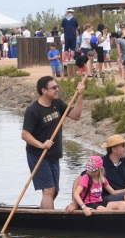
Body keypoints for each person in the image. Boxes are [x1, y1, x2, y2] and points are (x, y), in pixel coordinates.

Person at [21, 77, 86, 210]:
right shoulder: (33, 110)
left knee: (54, 191)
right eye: (53, 88)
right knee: (49, 189)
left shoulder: (58, 104)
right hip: (38, 154)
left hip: (53, 155)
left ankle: (42, 215)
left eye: (57, 87)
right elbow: (25, 135)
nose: (57, 90)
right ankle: (48, 221)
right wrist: (41, 145)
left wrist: (80, 96)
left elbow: (76, 116)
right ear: (44, 90)